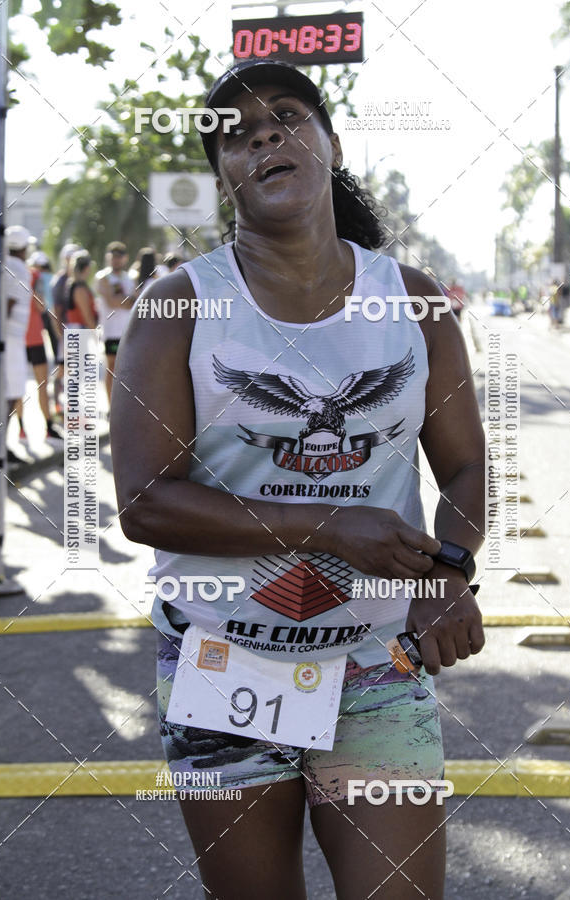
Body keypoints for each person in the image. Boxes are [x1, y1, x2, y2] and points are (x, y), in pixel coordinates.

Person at [111, 60, 485, 900]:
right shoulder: (178, 308)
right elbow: (143, 501)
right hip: (224, 658)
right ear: (223, 180)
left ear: (331, 145)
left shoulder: (416, 305)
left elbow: (463, 462)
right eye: (236, 137)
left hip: (375, 658)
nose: (262, 135)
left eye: (286, 116)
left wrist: (453, 569)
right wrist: (325, 525)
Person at [17, 252, 63, 444]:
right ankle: (40, 428)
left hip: (24, 338)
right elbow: (41, 306)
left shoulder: (25, 274)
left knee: (27, 386)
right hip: (27, 338)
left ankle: (32, 429)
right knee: (34, 386)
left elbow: (40, 305)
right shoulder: (32, 275)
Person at [2, 226, 32, 465]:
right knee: (11, 394)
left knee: (10, 394)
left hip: (10, 338)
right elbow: (9, 303)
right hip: (10, 339)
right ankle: (0, 446)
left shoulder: (7, 264)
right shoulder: (17, 267)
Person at [94, 241, 135, 402]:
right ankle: (112, 406)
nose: (116, 260)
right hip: (111, 332)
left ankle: (123, 405)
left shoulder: (129, 278)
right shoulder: (103, 277)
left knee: (126, 370)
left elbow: (133, 301)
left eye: (119, 257)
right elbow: (114, 301)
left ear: (125, 258)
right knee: (112, 368)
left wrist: (126, 300)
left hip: (127, 331)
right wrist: (128, 299)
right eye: (113, 257)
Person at [50, 242, 80, 417]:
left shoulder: (75, 280)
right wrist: (60, 332)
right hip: (66, 330)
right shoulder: (60, 280)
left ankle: (71, 405)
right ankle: (58, 405)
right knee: (63, 369)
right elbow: (57, 309)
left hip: (76, 330)